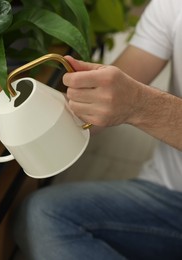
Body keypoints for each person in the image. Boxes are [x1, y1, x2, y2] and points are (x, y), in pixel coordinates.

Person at [12, 0, 182, 259]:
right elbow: (106, 97)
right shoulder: (172, 7)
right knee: (41, 214)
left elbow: (131, 102)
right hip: (170, 195)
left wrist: (141, 106)